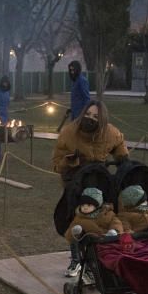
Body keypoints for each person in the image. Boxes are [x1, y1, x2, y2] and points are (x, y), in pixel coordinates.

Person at [52, 100, 129, 276]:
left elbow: (121, 149)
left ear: (102, 120)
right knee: (76, 221)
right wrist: (70, 161)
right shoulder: (69, 132)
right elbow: (56, 164)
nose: (90, 118)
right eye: (87, 114)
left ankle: (97, 261)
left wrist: (122, 161)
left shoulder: (111, 133)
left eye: (95, 116)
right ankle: (76, 260)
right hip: (75, 183)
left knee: (101, 221)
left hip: (100, 183)